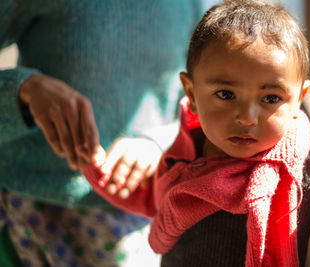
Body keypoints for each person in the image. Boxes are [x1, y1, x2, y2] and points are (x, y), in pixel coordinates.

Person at [84, 1, 310, 266]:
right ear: (191, 92)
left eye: (270, 99)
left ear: (299, 99)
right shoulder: (188, 150)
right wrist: (98, 166)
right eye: (226, 94)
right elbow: (155, 194)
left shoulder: (305, 154)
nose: (246, 118)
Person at [0, 0, 207, 266]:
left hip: (141, 220)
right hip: (25, 215)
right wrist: (22, 90)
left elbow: (208, 103)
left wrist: (162, 144)